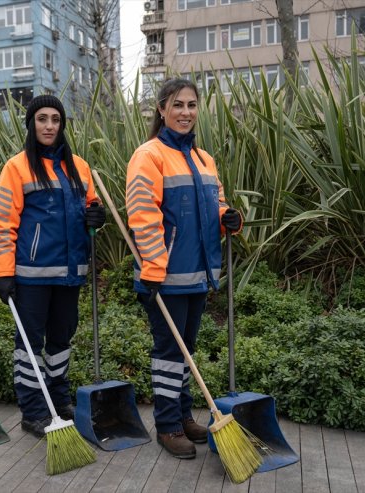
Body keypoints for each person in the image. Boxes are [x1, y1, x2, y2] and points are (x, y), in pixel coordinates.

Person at [125, 79, 242, 459]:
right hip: (165, 276)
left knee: (186, 350)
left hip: (199, 272)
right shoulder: (149, 155)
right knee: (169, 352)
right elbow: (142, 216)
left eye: (192, 105)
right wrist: (154, 269)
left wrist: (227, 216)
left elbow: (215, 201)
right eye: (178, 105)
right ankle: (168, 425)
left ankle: (183, 413)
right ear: (162, 109)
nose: (186, 112)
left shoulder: (204, 158)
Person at [0, 95, 106, 438]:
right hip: (32, 274)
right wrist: (3, 272)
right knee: (29, 343)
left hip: (71, 273)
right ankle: (34, 409)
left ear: (62, 124)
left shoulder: (79, 167)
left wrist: (95, 216)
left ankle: (58, 397)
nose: (49, 125)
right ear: (31, 124)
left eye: (55, 119)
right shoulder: (17, 167)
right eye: (42, 119)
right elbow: (2, 224)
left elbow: (90, 208)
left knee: (61, 339)